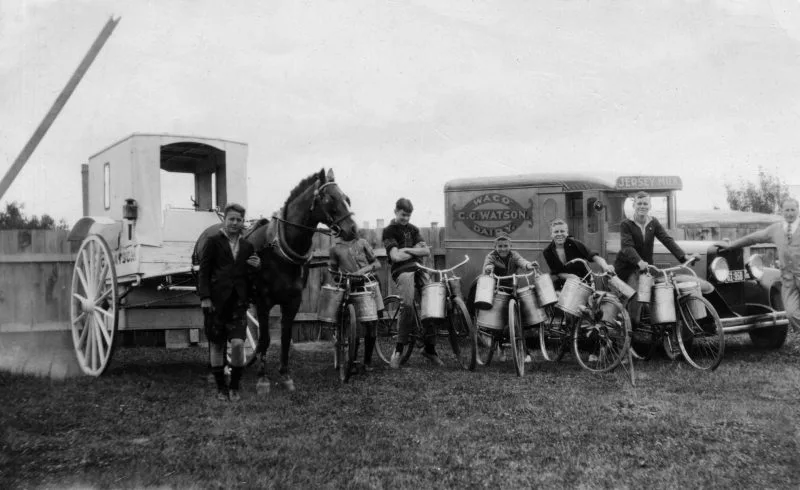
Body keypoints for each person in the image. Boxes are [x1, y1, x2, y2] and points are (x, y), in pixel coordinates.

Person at [198, 203, 261, 402]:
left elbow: (250, 276)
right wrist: (205, 298)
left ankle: (234, 386)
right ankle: (221, 389)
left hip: (238, 304)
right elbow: (204, 272)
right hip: (216, 303)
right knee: (216, 346)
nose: (235, 223)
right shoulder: (213, 242)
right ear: (224, 220)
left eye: (239, 220)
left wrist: (257, 266)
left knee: (237, 344)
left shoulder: (248, 246)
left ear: (243, 223)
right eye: (231, 219)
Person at [715, 197, 800, 333]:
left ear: (798, 210)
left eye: (793, 210)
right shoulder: (776, 229)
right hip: (788, 281)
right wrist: (731, 246)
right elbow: (753, 238)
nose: (790, 213)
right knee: (790, 314)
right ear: (782, 211)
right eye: (787, 210)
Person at [614, 191, 696, 324]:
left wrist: (684, 257)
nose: (642, 206)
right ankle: (630, 337)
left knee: (658, 296)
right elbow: (627, 247)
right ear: (634, 205)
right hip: (628, 268)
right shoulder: (626, 224)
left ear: (650, 206)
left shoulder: (653, 222)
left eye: (645, 203)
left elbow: (667, 240)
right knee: (636, 299)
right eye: (639, 203)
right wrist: (639, 261)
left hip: (646, 268)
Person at [381, 198, 438, 368]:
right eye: (403, 214)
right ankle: (399, 349)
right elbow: (395, 257)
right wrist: (415, 252)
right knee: (407, 304)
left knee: (432, 303)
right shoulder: (389, 231)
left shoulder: (414, 230)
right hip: (402, 271)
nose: (405, 218)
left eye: (408, 215)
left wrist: (406, 249)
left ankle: (429, 349)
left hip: (419, 268)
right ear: (395, 211)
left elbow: (426, 251)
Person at [328, 230, 381, 372]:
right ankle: (352, 358)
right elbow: (333, 271)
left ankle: (368, 361)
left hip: (368, 284)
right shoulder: (335, 248)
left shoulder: (362, 243)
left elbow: (377, 263)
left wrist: (361, 272)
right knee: (353, 324)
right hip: (349, 287)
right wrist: (342, 277)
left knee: (372, 323)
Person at [481, 234, 538, 362]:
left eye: (506, 246)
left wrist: (529, 265)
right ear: (495, 247)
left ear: (510, 246)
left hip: (512, 289)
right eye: (500, 246)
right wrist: (488, 269)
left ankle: (523, 350)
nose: (503, 249)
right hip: (497, 290)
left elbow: (522, 262)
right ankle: (500, 346)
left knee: (518, 320)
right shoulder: (491, 256)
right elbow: (486, 268)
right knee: (498, 321)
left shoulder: (514, 255)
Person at [542, 219, 614, 288]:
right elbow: (557, 272)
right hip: (565, 285)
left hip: (584, 282)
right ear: (551, 234)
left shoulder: (575, 244)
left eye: (562, 231)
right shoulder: (547, 252)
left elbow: (594, 256)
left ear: (567, 233)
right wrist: (570, 277)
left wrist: (605, 266)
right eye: (556, 232)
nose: (559, 234)